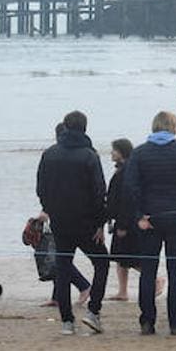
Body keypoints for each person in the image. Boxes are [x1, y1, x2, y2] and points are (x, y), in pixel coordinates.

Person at [125, 111, 176, 336]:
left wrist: (139, 215)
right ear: (173, 127)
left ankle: (147, 322)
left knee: (148, 271)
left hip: (150, 218)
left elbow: (130, 186)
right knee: (175, 270)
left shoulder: (140, 153)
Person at [37, 110, 110, 335]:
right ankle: (93, 311)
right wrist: (100, 222)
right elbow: (99, 192)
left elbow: (41, 189)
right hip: (86, 222)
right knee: (102, 262)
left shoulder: (49, 154)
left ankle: (67, 321)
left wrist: (49, 209)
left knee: (63, 266)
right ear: (85, 129)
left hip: (60, 221)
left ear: (66, 128)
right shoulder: (89, 156)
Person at [105, 138, 143, 302]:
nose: (112, 153)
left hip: (126, 221)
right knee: (120, 257)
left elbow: (127, 199)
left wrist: (123, 224)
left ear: (122, 152)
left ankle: (156, 279)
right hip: (120, 219)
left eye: (114, 150)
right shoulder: (122, 169)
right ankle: (122, 291)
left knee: (129, 255)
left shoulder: (127, 171)